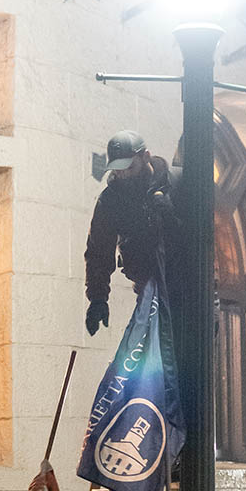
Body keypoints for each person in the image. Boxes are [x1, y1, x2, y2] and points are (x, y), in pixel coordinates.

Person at [84, 129, 182, 336]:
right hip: (148, 289)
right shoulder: (111, 200)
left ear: (145, 156)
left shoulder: (176, 184)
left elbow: (204, 241)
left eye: (129, 167)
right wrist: (98, 298)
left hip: (187, 289)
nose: (123, 174)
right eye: (118, 170)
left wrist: (169, 213)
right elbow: (98, 252)